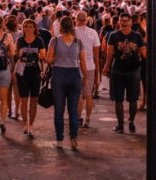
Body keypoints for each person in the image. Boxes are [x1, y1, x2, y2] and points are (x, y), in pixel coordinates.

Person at [45, 15, 87, 150]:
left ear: (61, 27)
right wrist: (85, 76)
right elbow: (83, 62)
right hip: (75, 74)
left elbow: (48, 60)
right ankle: (73, 137)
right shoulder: (78, 41)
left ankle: (59, 139)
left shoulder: (54, 41)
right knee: (73, 110)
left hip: (59, 74)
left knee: (59, 110)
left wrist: (58, 56)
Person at [104, 13, 146, 133]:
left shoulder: (137, 36)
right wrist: (106, 66)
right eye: (122, 20)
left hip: (133, 71)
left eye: (126, 20)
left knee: (133, 99)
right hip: (117, 70)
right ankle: (121, 124)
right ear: (119, 22)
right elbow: (109, 52)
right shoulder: (113, 35)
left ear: (130, 22)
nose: (124, 22)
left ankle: (131, 121)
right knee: (118, 99)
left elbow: (144, 53)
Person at [14, 18, 46, 137]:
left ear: (35, 28)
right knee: (24, 99)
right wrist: (19, 54)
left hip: (35, 72)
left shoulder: (39, 40)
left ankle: (31, 124)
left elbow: (43, 55)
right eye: (26, 26)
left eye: (31, 26)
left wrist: (37, 55)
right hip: (22, 73)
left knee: (34, 99)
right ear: (23, 28)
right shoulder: (19, 40)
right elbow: (16, 55)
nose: (28, 29)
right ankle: (25, 124)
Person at [74, 11, 101, 128]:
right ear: (86, 20)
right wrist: (97, 70)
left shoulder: (73, 31)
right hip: (90, 66)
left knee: (79, 95)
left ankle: (78, 117)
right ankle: (87, 118)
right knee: (88, 94)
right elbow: (96, 54)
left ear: (76, 19)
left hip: (75, 66)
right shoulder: (93, 32)